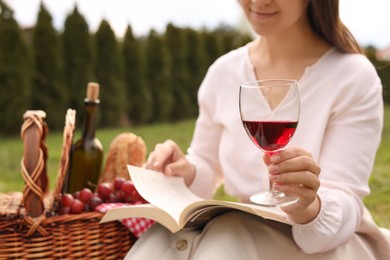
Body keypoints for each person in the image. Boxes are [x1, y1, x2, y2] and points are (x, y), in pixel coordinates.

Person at [125, 0, 390, 259]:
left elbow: (344, 203)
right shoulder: (224, 72)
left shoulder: (353, 76)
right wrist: (186, 169)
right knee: (159, 241)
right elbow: (207, 162)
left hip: (324, 246)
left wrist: (306, 204)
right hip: (239, 231)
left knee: (225, 239)